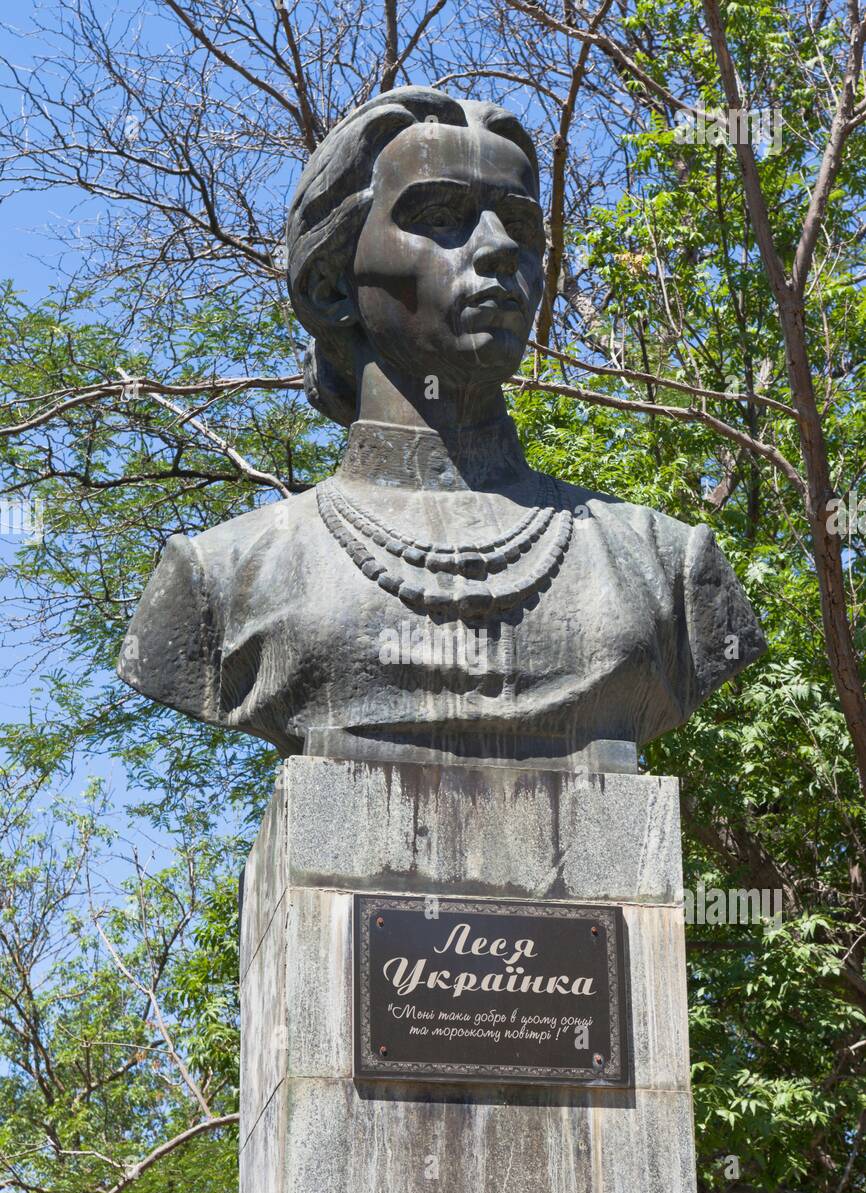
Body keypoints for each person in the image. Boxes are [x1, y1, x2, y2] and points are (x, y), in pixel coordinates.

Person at [117, 86, 765, 772]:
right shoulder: (224, 577)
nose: (497, 249)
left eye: (520, 226)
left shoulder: (662, 567)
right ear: (331, 286)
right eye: (441, 215)